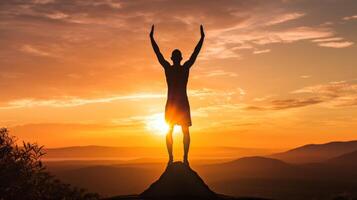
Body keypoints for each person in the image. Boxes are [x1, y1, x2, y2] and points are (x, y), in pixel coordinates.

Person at [150, 24, 205, 165]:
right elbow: (194, 54)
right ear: (180, 58)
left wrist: (151, 38)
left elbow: (159, 54)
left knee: (173, 131)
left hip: (174, 104)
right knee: (179, 131)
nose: (175, 59)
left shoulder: (170, 68)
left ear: (175, 58)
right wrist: (202, 38)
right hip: (179, 104)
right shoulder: (184, 68)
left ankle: (176, 158)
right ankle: (178, 158)